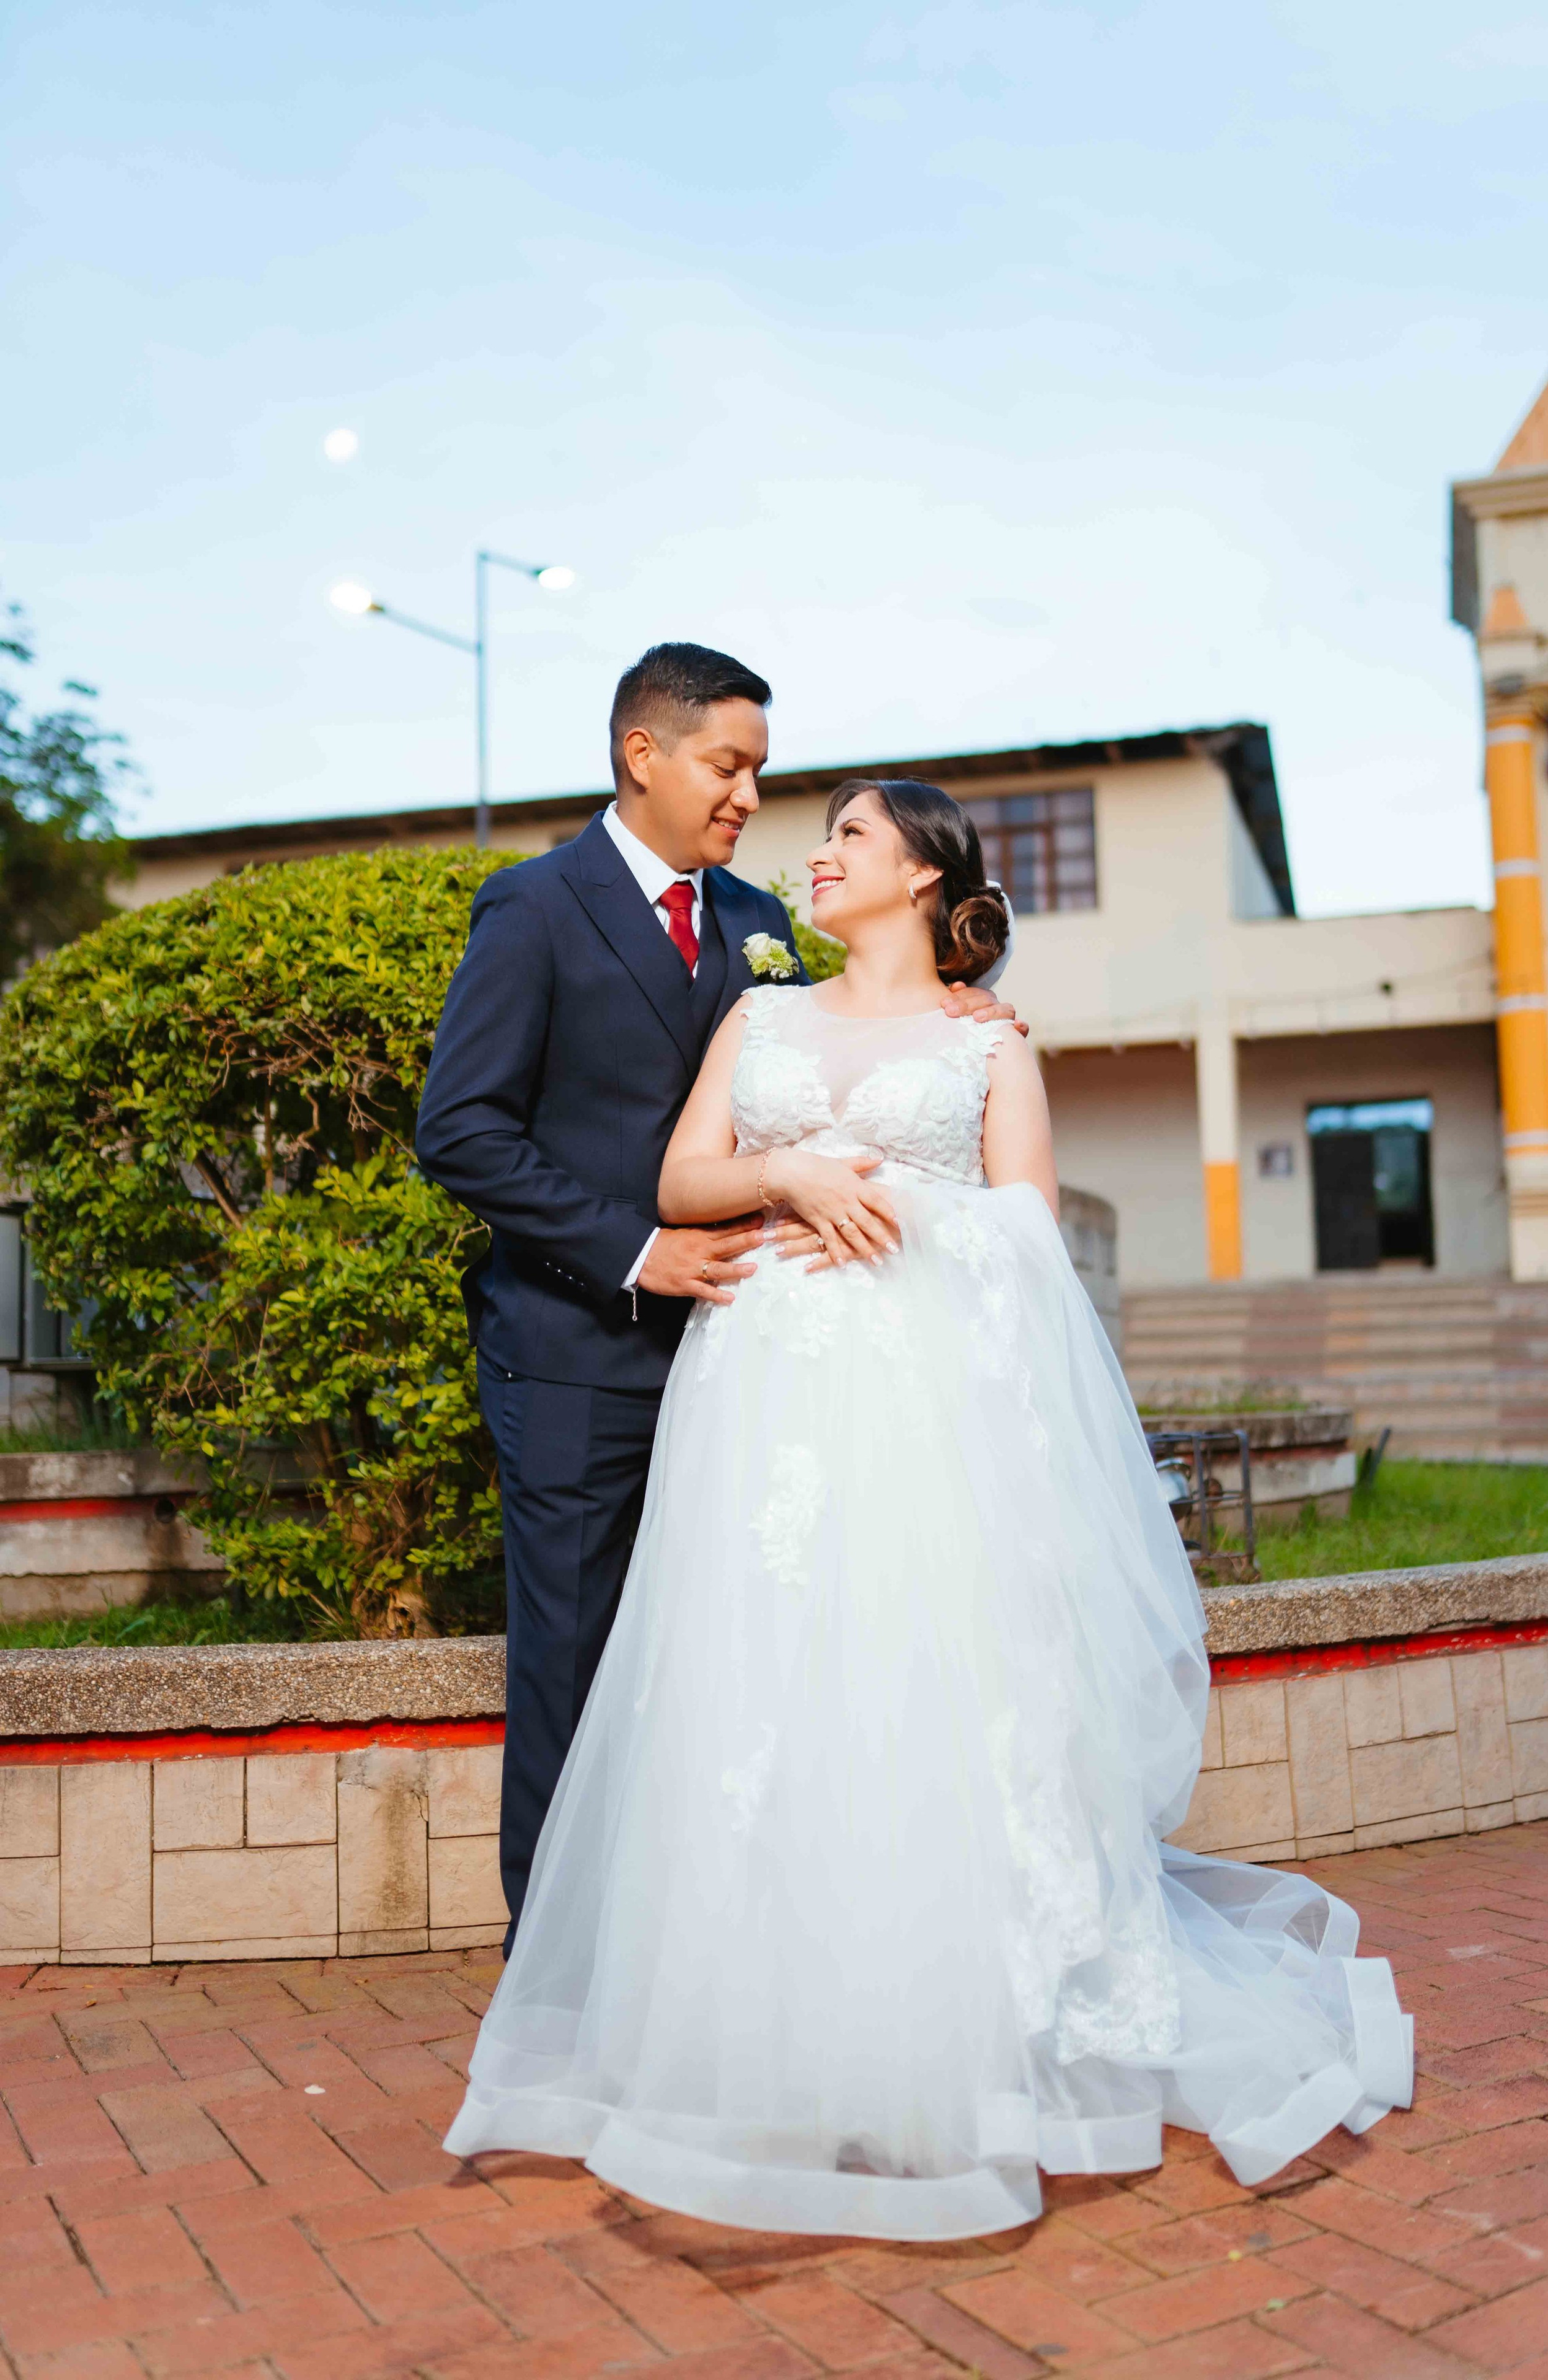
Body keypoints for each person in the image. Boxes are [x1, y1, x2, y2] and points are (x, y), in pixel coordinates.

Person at [444, 775, 1414, 2239]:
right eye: (814, 832)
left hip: (917, 1402)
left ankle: (951, 2029)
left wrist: (890, 1203)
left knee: (918, 1689)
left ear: (918, 878)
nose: (810, 851)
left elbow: (1026, 1233)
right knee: (757, 1694)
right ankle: (763, 2026)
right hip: (757, 1388)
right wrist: (781, 1173)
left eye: (846, 835)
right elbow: (677, 1172)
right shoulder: (757, 1012)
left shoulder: (983, 1045)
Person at [415, 647, 1015, 1943]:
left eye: (759, 771)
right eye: (726, 764)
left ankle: (697, 1952)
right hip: (576, 1350)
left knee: (716, 1670)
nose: (748, 794)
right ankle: (559, 1967)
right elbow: (461, 1130)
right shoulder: (532, 908)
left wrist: (947, 1001)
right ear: (644, 753)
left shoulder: (755, 915)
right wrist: (634, 1250)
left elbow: (831, 1032)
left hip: (751, 1362)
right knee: (571, 1668)